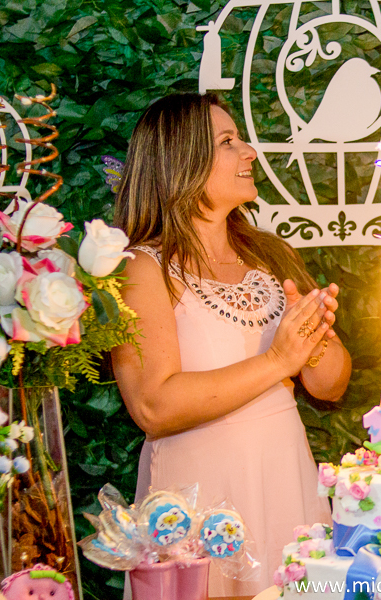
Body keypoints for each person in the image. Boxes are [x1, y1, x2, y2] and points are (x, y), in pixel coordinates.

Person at [111, 93, 352, 596]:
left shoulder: (270, 254)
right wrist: (278, 359)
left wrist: (314, 338)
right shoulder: (141, 269)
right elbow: (153, 405)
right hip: (198, 499)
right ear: (181, 162)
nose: (250, 152)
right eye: (228, 142)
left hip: (286, 480)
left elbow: (329, 386)